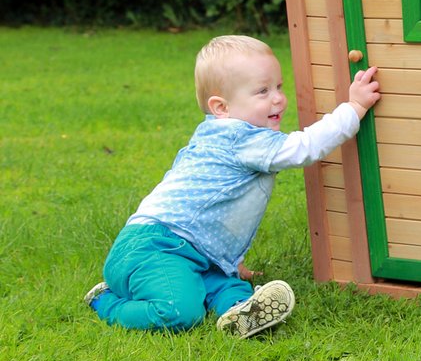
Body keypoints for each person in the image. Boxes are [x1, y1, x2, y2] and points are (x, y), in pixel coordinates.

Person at [85, 35, 380, 338]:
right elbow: (305, 147)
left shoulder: (226, 133)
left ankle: (239, 312)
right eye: (262, 91)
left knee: (225, 284)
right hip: (155, 248)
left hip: (196, 255)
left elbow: (218, 209)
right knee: (179, 311)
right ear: (221, 107)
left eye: (279, 86)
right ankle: (106, 300)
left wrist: (231, 261)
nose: (277, 98)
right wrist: (354, 106)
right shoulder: (239, 137)